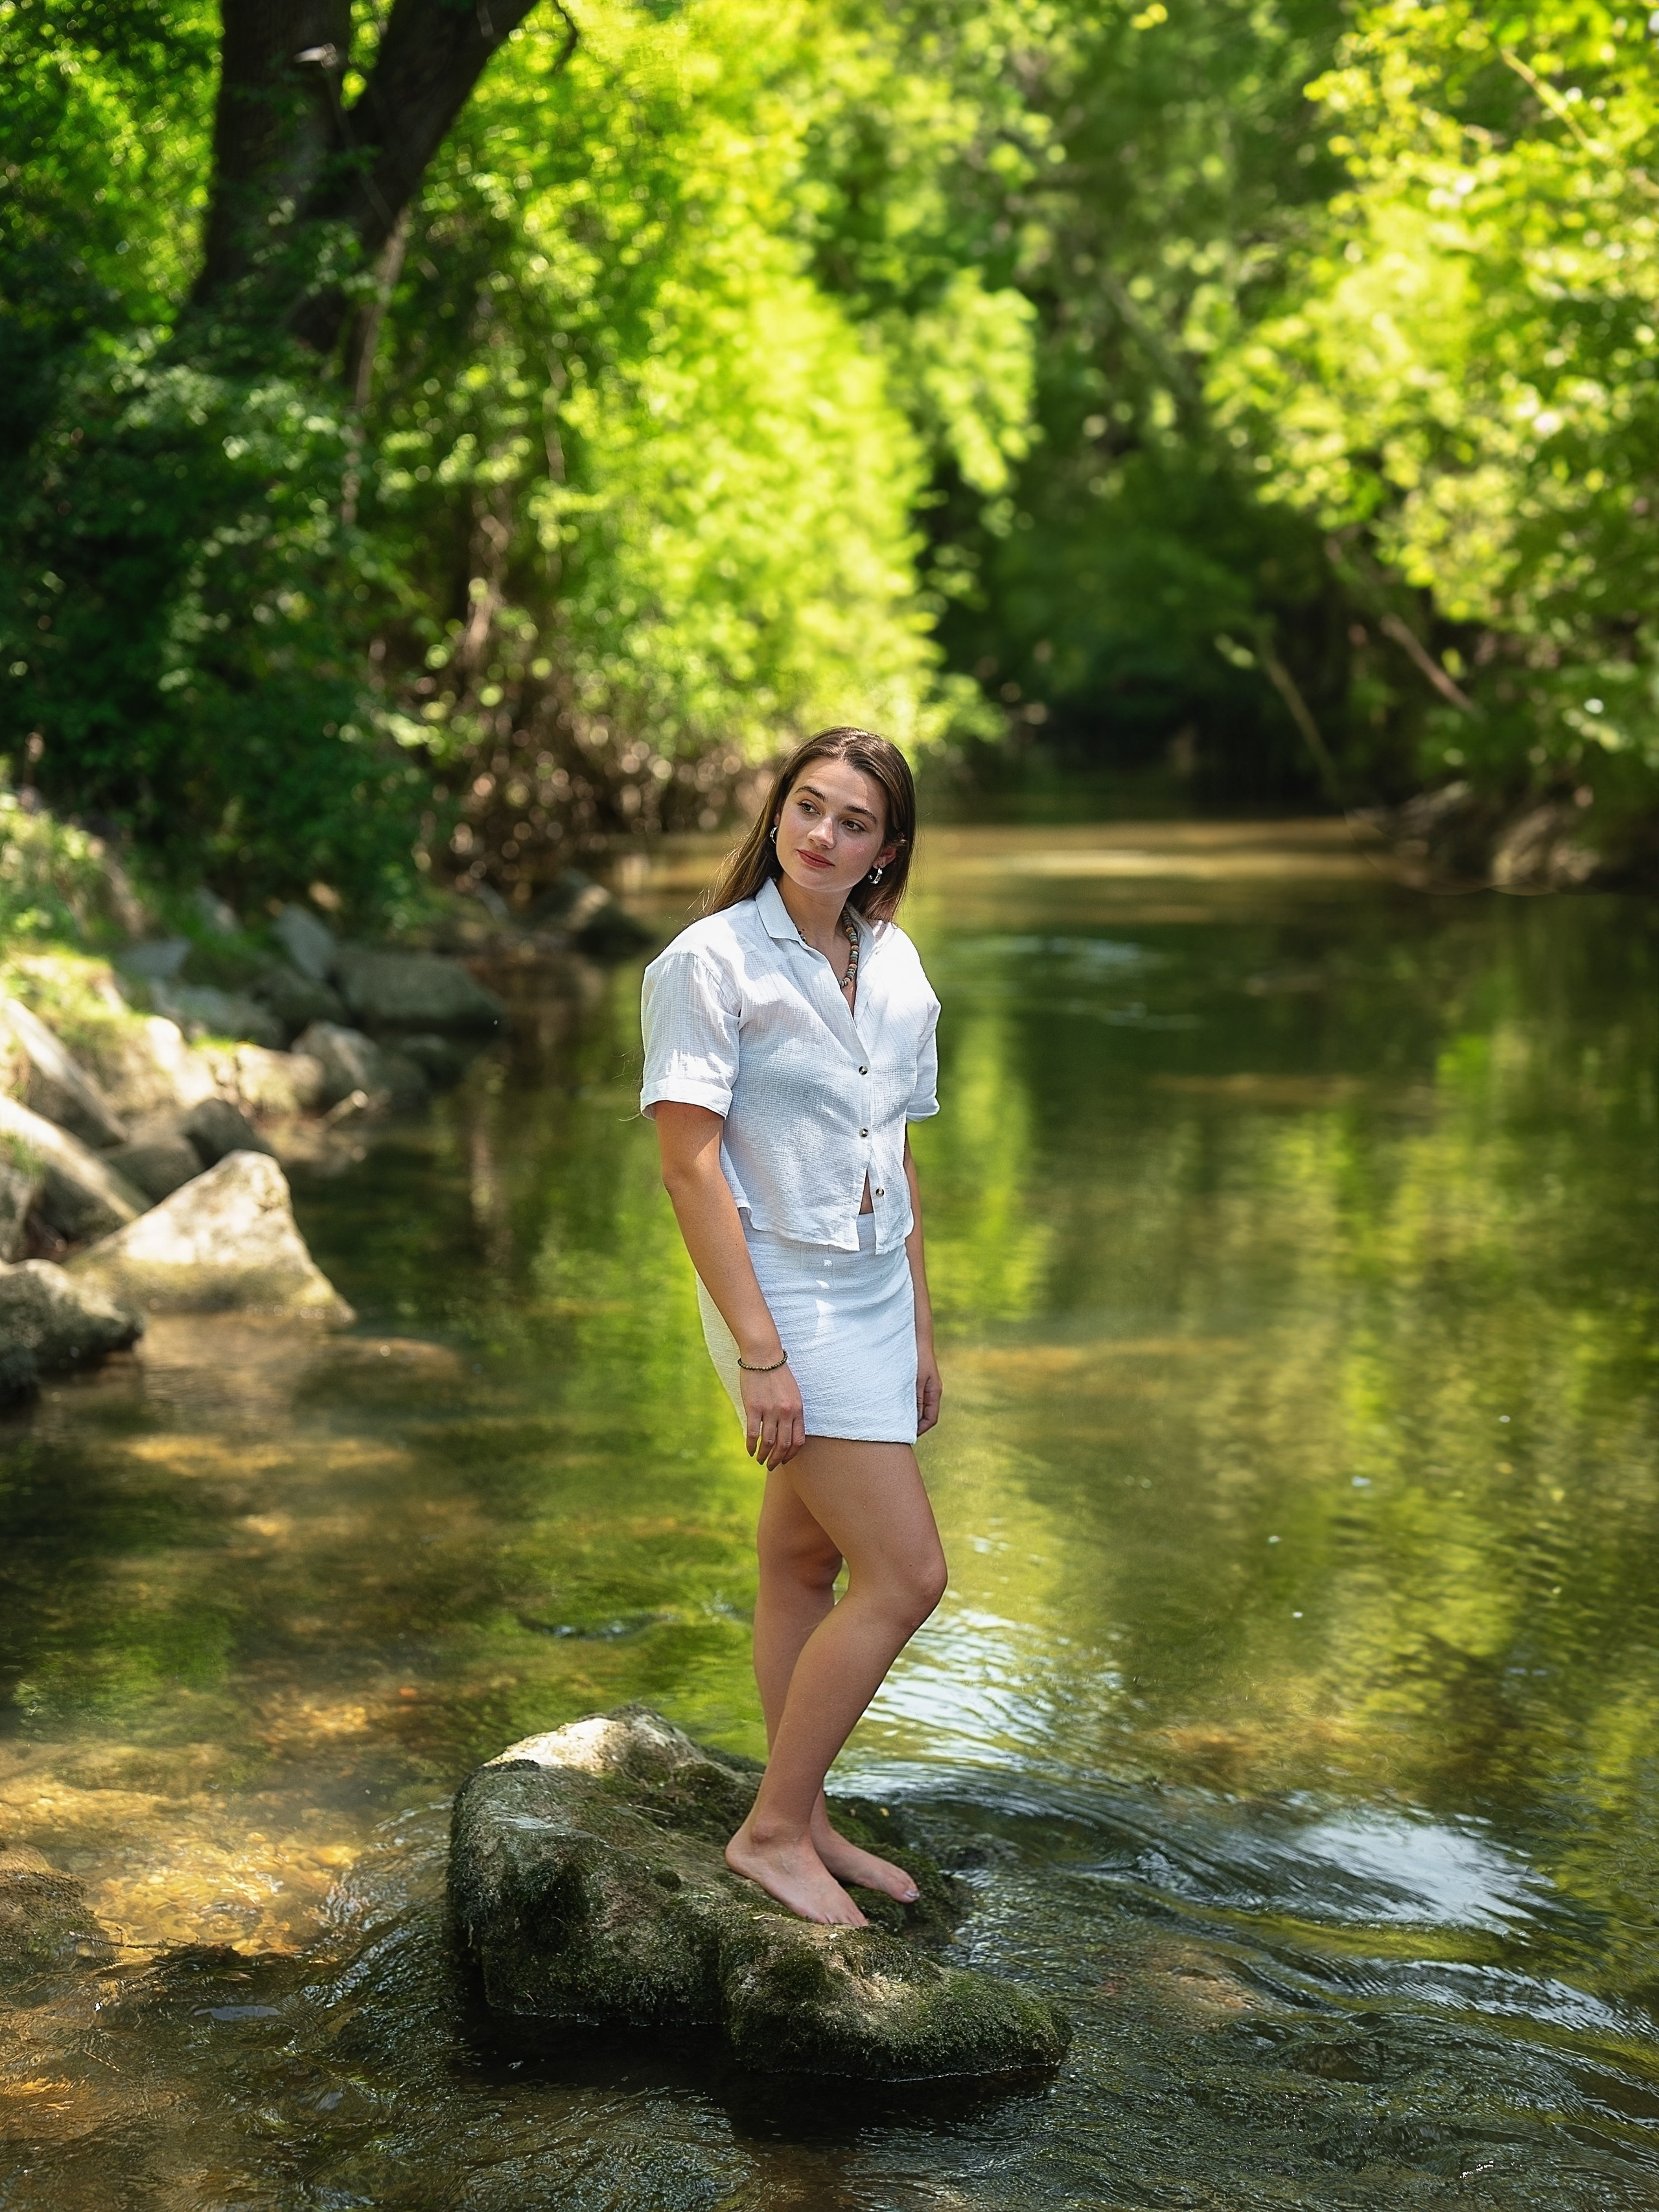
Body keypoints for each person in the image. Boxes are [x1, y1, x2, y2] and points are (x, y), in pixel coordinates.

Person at [640, 727, 947, 1927]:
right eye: (806, 807)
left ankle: (802, 1809)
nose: (821, 834)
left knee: (804, 1560)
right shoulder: (710, 963)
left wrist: (922, 1326)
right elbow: (688, 1166)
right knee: (908, 1574)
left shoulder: (896, 961)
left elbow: (899, 1155)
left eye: (852, 821)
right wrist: (760, 1351)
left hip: (873, 1289)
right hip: (780, 1295)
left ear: (888, 849)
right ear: (777, 814)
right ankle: (770, 1833)